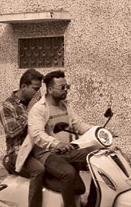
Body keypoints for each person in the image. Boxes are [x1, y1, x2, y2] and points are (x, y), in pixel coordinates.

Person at [17, 70, 91, 207]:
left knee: (93, 159)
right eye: (62, 88)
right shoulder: (39, 109)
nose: (66, 90)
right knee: (68, 173)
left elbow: (78, 125)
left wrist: (99, 131)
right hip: (46, 154)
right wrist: (56, 144)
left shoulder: (65, 106)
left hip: (65, 151)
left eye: (67, 87)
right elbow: (37, 134)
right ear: (50, 89)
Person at [0, 69, 45, 207]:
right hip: (18, 153)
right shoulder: (8, 106)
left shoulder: (38, 103)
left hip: (37, 150)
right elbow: (12, 131)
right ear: (23, 86)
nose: (38, 93)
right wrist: (30, 111)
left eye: (39, 89)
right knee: (39, 170)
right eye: (35, 89)